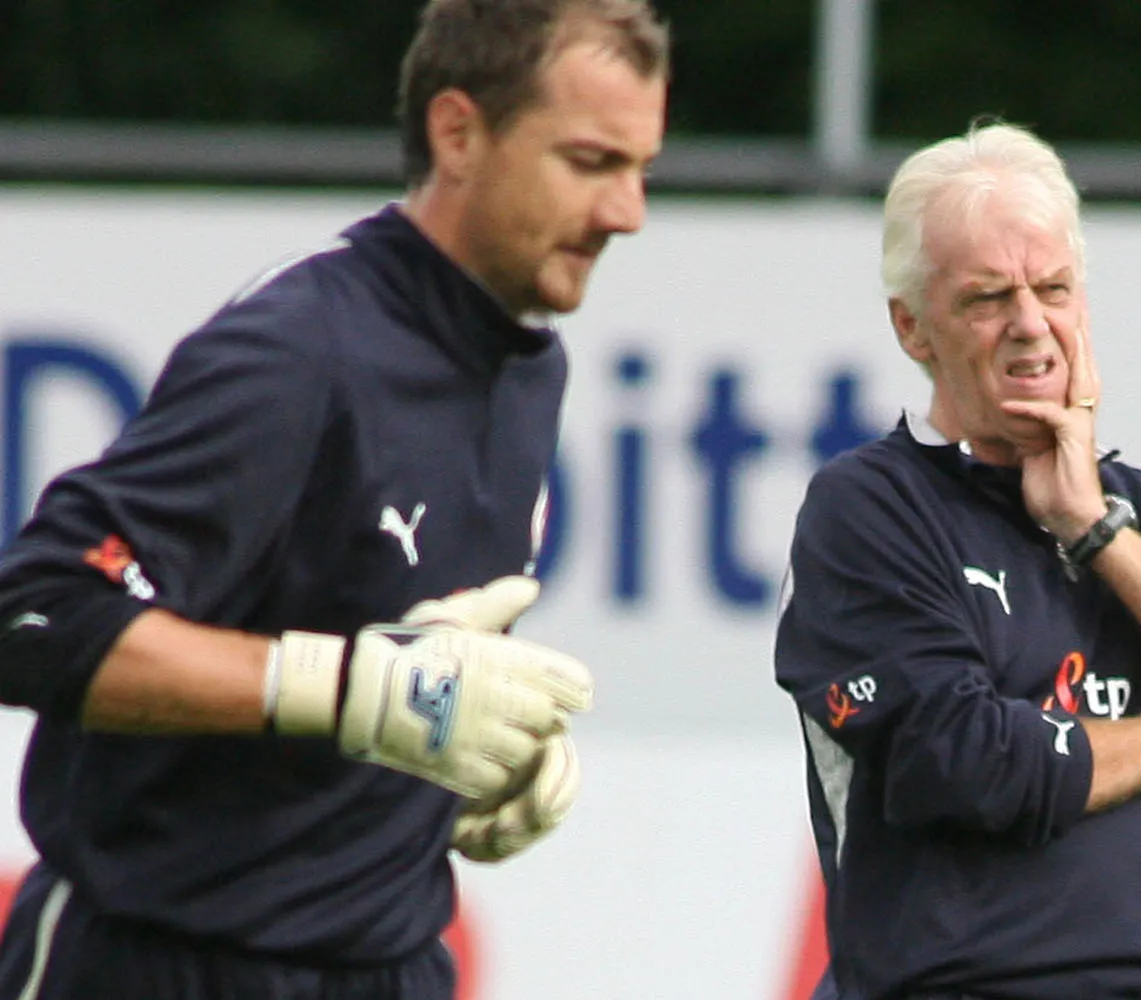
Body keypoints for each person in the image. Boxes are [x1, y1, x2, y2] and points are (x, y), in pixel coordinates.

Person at [0, 1, 668, 997]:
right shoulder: (300, 351)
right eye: (590, 162)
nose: (628, 212)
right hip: (160, 960)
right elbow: (35, 613)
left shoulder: (530, 368)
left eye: (641, 167)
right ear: (458, 132)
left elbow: (392, 662)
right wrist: (350, 691)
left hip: (386, 964)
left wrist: (456, 775)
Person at [774, 120, 1141, 1000]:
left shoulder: (1133, 510)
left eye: (1054, 290)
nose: (1031, 327)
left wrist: (1092, 530)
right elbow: (976, 765)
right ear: (913, 328)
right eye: (988, 298)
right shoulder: (869, 509)